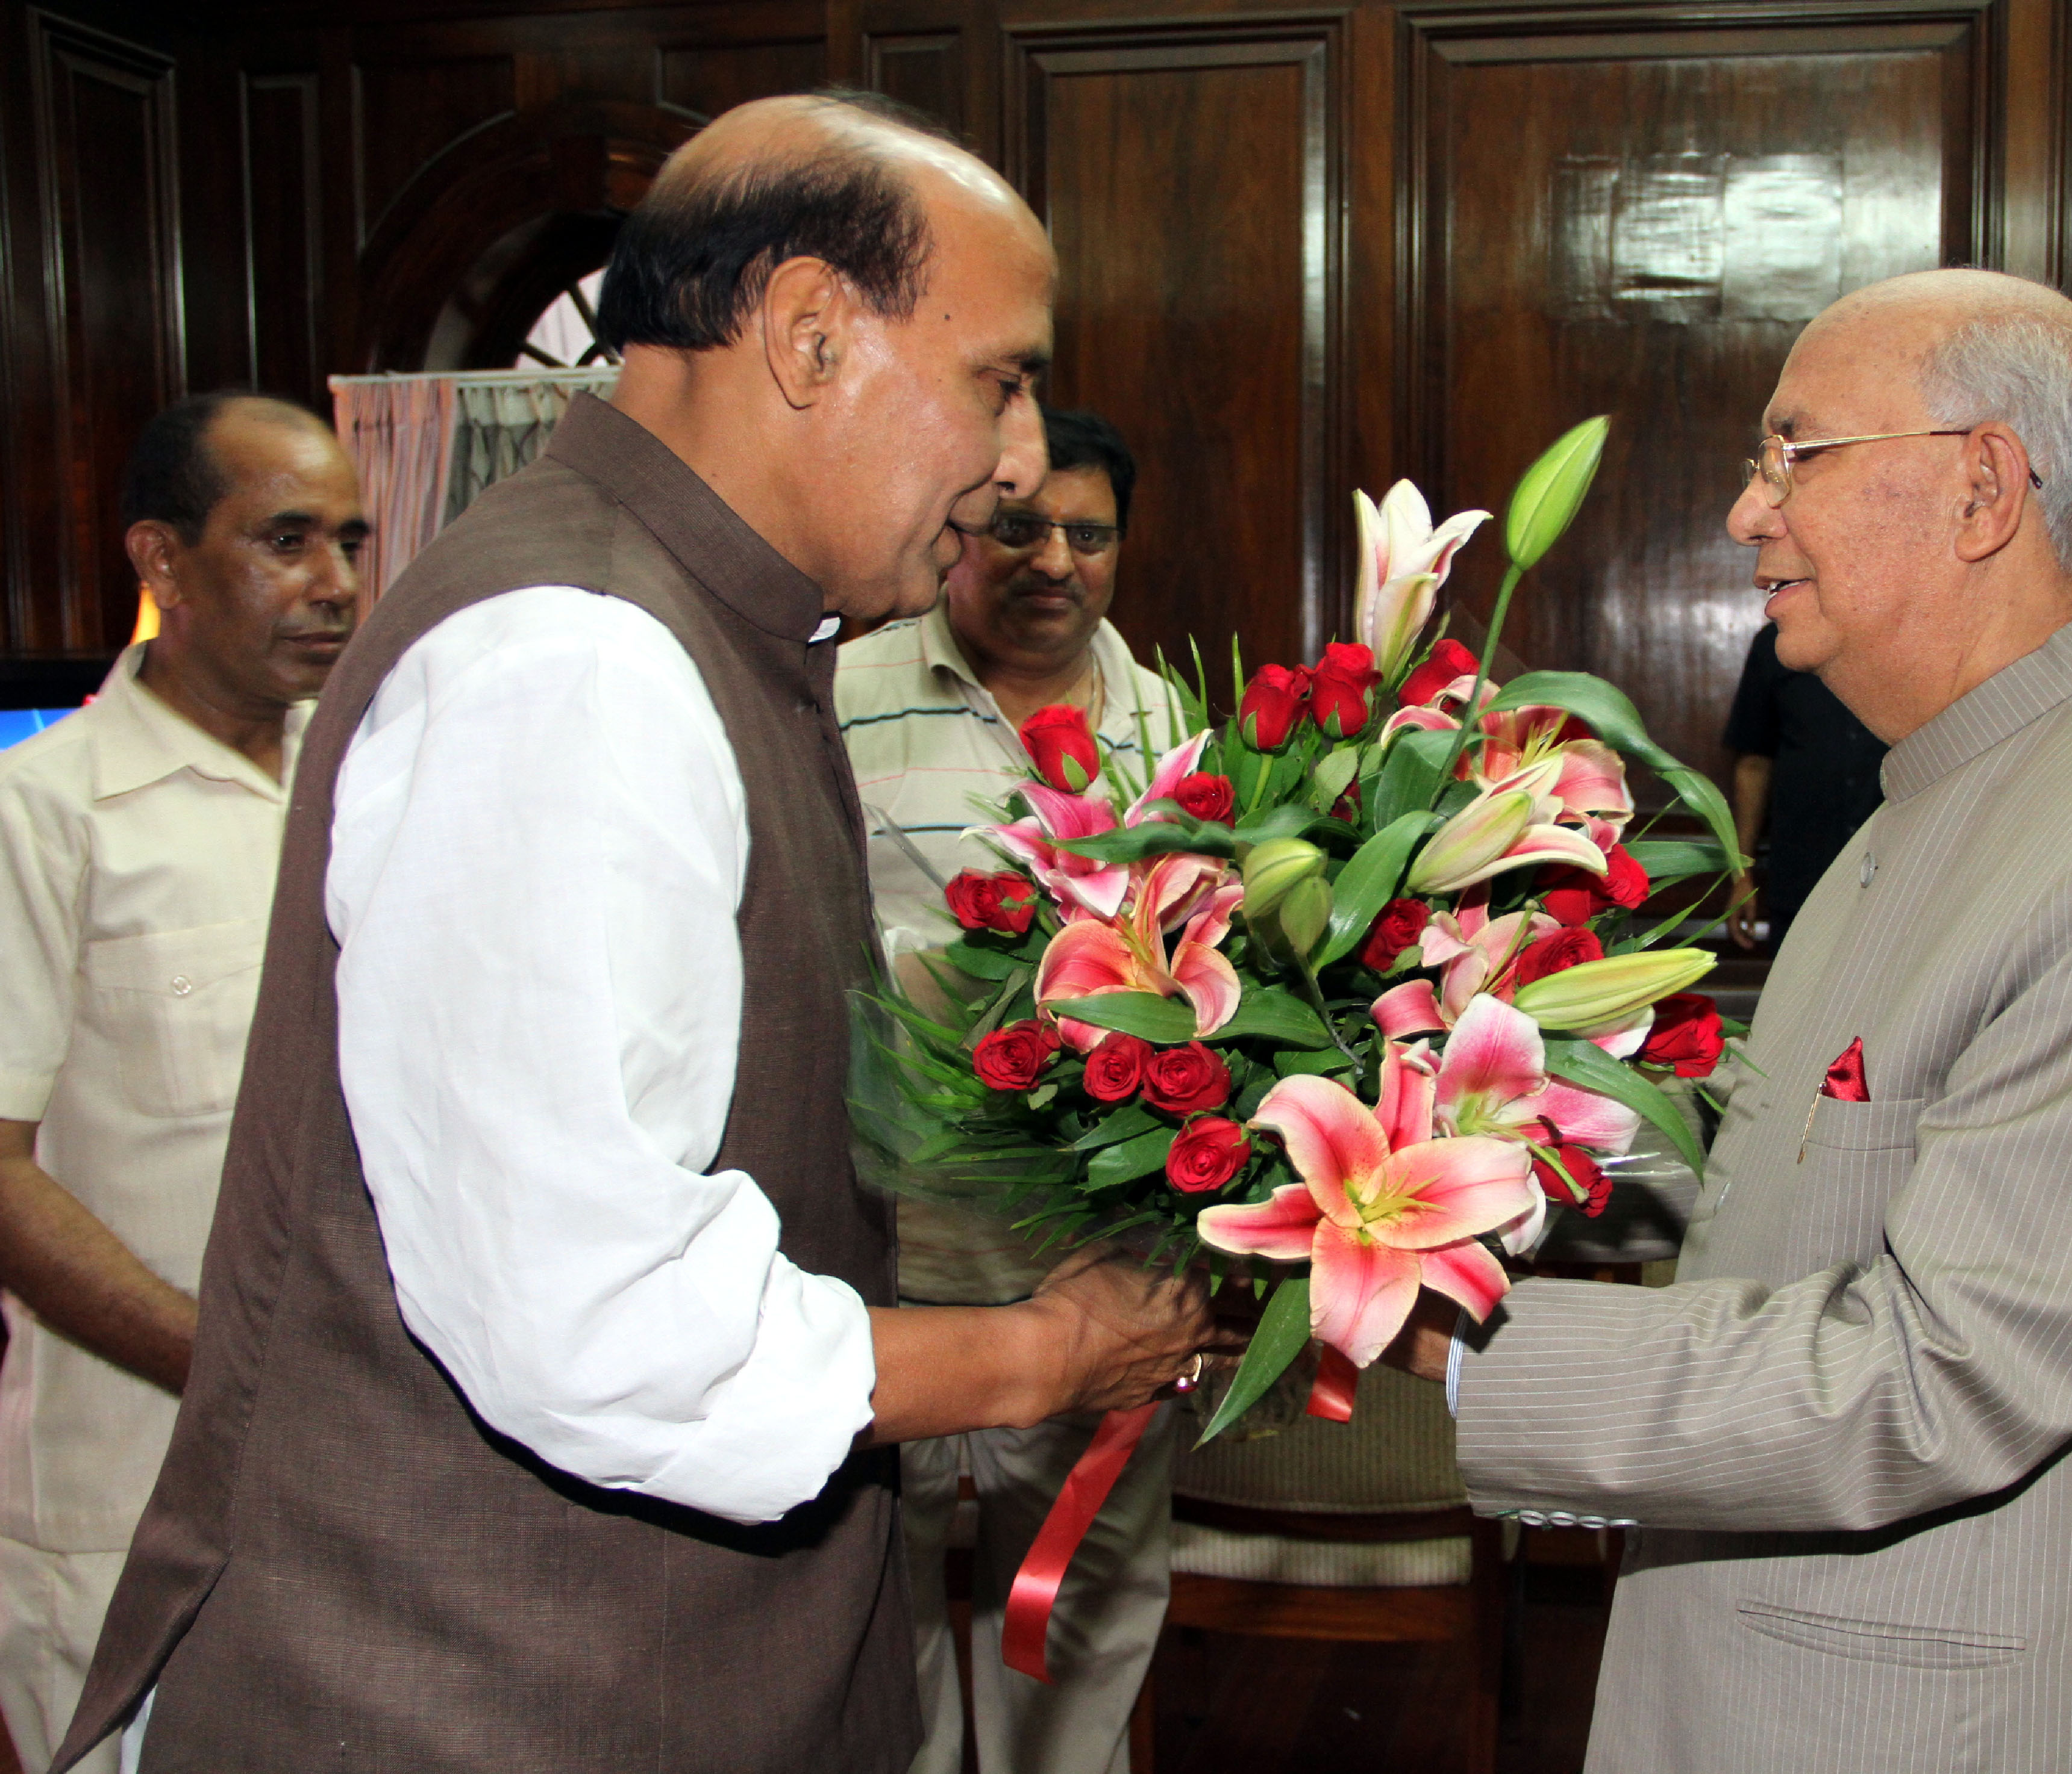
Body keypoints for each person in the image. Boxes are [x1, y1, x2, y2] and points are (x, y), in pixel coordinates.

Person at [54, 93, 1220, 1774]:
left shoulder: (713, 624)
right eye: (1000, 377)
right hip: (471, 1700)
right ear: (813, 337)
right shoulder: (578, 657)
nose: (1020, 458)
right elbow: (591, 1316)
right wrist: (1041, 1352)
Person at [1387, 269, 2072, 1771]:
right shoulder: (1961, 782)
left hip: (1975, 1714)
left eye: (1794, 453)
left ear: (1982, 486)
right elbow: (1788, 1157)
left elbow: (1942, 1368)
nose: (1744, 512)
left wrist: (1445, 1344)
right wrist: (1425, 1182)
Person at [0, 394, 363, 1774]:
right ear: (160, 561)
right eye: (284, 539)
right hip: (124, 1505)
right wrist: (238, 1373)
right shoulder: (46, 812)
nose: (334, 581)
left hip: (344, 1503)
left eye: (348, 538)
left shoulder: (369, 779)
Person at [837, 405, 1180, 1774]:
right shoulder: (841, 694)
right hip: (880, 1219)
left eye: (1088, 533)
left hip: (1090, 1233)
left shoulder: (1179, 728)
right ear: (959, 525)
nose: (1055, 558)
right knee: (874, 1567)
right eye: (1019, 526)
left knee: (1082, 1569)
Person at [1718, 622, 1888, 953]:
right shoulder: (1777, 641)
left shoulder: (1909, 633)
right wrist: (1741, 876)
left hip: (1896, 875)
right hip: (1802, 876)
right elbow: (1753, 765)